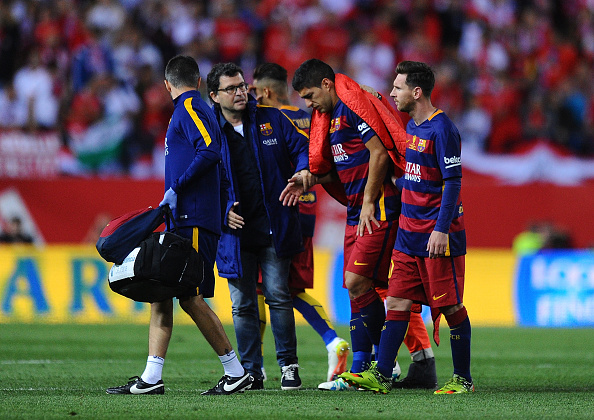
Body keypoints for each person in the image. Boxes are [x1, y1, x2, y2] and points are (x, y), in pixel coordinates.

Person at [285, 58, 438, 392]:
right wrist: (310, 179)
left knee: (357, 282)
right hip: (356, 210)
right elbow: (343, 168)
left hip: (378, 207)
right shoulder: (329, 118)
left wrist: (369, 201)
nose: (308, 104)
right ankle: (360, 368)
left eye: (310, 95)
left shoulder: (353, 107)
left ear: (327, 84)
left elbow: (380, 154)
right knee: (356, 291)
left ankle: (385, 363)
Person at [106, 55, 252, 396]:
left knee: (190, 296)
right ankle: (151, 377)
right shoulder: (192, 108)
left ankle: (235, 372)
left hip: (195, 219)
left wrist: (177, 188)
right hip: (184, 218)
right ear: (199, 81)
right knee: (162, 291)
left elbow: (211, 150)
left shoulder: (189, 108)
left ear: (167, 85)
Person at [341, 60, 474, 394]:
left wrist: (441, 230)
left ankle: (462, 379)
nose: (392, 92)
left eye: (397, 88)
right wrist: (373, 99)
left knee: (451, 305)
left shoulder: (442, 129)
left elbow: (453, 183)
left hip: (436, 237)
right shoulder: (412, 129)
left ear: (417, 92)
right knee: (397, 303)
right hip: (407, 237)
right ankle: (382, 374)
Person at [207, 62, 310, 390]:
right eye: (231, 88)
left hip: (273, 224)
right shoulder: (207, 129)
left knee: (279, 295)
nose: (240, 93)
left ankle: (288, 366)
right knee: (242, 305)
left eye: (241, 86)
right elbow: (201, 181)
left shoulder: (271, 117)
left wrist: (303, 173)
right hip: (233, 234)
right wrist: (222, 212)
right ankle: (250, 371)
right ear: (214, 95)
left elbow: (303, 149)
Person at [251, 62, 350, 383]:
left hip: (281, 210)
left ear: (266, 92)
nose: (249, 98)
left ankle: (257, 364)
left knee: (264, 288)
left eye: (253, 91)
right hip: (308, 208)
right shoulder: (312, 116)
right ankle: (330, 342)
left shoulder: (272, 120)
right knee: (289, 288)